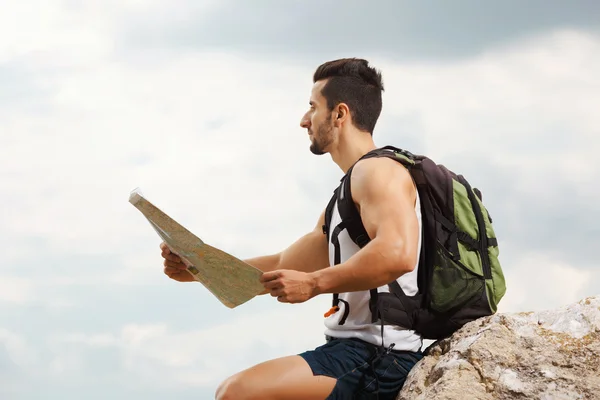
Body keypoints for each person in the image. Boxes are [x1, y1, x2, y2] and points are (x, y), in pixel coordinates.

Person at [161, 58, 424, 400]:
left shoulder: (378, 172)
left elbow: (397, 253)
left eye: (313, 107)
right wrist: (199, 269)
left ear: (339, 114)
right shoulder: (346, 194)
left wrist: (315, 284)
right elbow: (286, 263)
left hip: (379, 358)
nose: (304, 120)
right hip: (351, 353)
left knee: (237, 393)